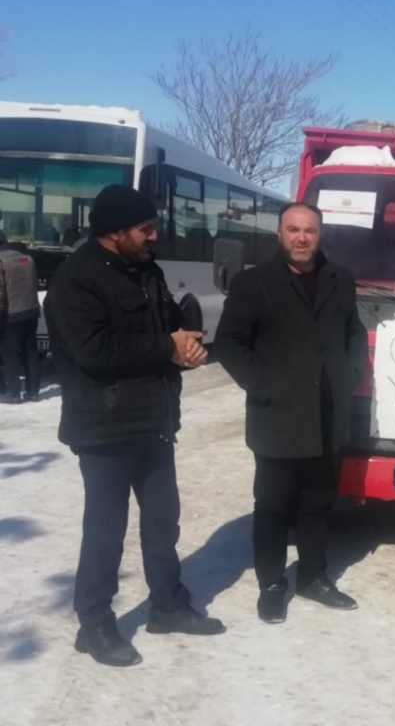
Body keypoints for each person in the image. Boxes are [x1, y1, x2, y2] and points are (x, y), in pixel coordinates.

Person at [44, 185, 225, 668]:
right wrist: (168, 346)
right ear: (115, 231)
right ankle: (94, 623)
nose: (154, 235)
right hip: (104, 427)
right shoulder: (74, 281)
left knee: (163, 520)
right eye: (145, 228)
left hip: (153, 420)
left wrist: (185, 336)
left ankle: (167, 605)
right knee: (106, 529)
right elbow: (95, 353)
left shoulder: (146, 271)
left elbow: (163, 326)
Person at [214, 202, 369, 624]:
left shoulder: (341, 280)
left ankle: (313, 578)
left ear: (320, 235)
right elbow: (229, 343)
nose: (302, 237)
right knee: (273, 506)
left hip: (327, 414)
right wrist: (263, 386)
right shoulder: (253, 283)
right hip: (277, 416)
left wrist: (352, 372)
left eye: (310, 230)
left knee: (318, 503)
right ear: (279, 234)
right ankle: (271, 584)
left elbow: (354, 331)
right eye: (293, 229)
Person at [0, 232, 41, 404]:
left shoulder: (1, 261)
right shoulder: (27, 259)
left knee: (9, 355)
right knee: (30, 352)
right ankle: (33, 392)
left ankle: (13, 393)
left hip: (10, 315)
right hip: (31, 312)